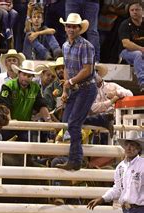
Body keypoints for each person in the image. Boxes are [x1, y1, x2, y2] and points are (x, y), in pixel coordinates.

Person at [56, 13, 97, 171]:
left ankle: (75, 159)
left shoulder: (86, 45)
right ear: (65, 28)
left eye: (74, 26)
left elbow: (87, 70)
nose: (71, 29)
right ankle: (102, 119)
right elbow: (67, 68)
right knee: (68, 121)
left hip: (86, 87)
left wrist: (70, 82)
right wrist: (66, 89)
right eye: (69, 26)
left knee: (72, 123)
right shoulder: (66, 46)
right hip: (76, 88)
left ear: (80, 29)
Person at [0, 59, 51, 142]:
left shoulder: (35, 88)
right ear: (19, 74)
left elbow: (41, 104)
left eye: (29, 76)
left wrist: (49, 121)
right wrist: (10, 122)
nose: (26, 78)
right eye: (24, 74)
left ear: (32, 77)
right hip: (8, 124)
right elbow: (5, 105)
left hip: (24, 126)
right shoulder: (8, 86)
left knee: (26, 145)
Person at [118, 1, 144, 92]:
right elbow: (126, 43)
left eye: (137, 9)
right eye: (132, 10)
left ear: (143, 11)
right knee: (138, 54)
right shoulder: (125, 24)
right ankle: (142, 83)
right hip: (126, 52)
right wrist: (141, 49)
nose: (134, 12)